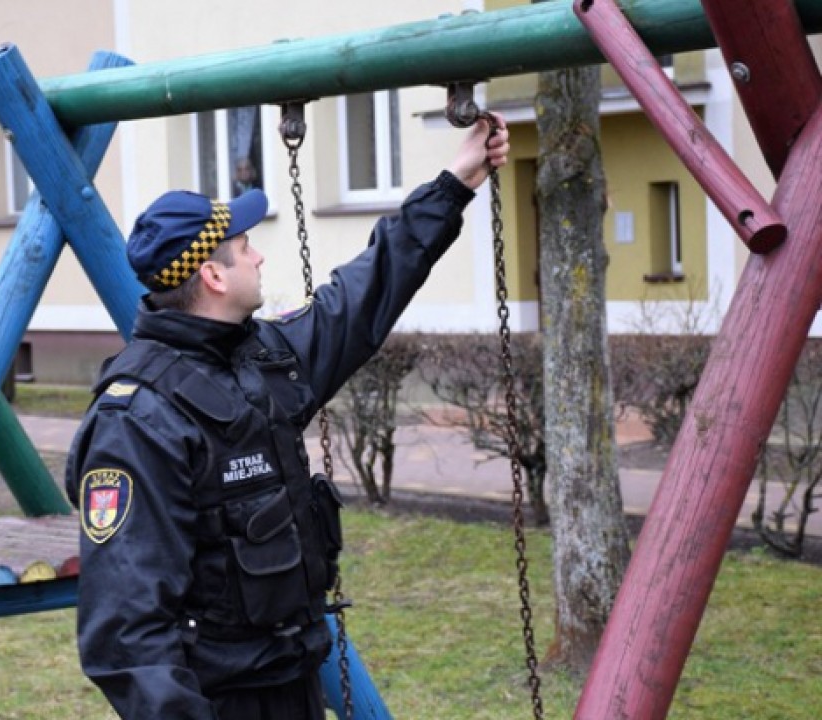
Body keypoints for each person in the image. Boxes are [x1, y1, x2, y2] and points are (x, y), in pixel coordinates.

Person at [65, 117, 510, 720]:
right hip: (219, 701)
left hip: (294, 679)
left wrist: (454, 184)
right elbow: (124, 633)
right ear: (214, 275)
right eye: (246, 246)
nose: (259, 253)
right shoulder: (138, 419)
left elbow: (363, 294)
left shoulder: (262, 360)